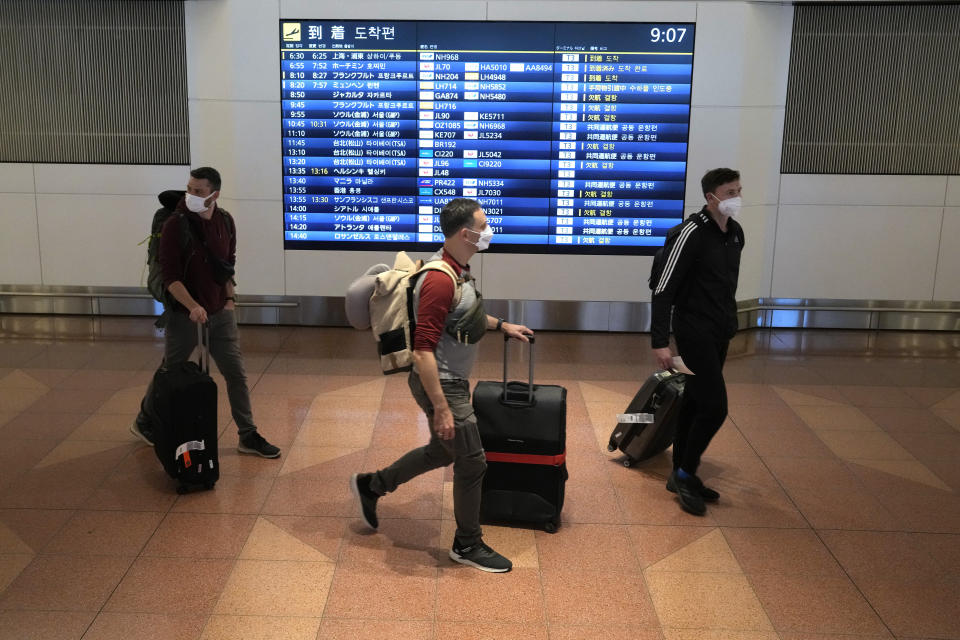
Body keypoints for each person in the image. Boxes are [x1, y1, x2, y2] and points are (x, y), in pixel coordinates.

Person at [350, 198, 533, 573]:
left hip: (452, 380)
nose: (488, 230)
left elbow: (465, 314)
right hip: (442, 383)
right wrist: (443, 408)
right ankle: (467, 544)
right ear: (466, 233)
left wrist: (503, 326)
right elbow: (422, 352)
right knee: (473, 462)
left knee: (444, 451)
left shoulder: (458, 269)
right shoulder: (438, 280)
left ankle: (372, 485)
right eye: (484, 225)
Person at [130, 167, 281, 459]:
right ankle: (144, 419)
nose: (191, 196)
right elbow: (171, 277)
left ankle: (247, 434)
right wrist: (192, 306)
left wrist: (229, 300)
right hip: (184, 315)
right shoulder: (176, 225)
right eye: (189, 189)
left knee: (236, 374)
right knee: (170, 371)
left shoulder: (225, 221)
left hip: (220, 314)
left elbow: (227, 265)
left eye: (198, 191)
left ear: (214, 195)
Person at [650, 168, 745, 515]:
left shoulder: (734, 234)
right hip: (693, 332)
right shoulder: (689, 233)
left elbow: (725, 287)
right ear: (711, 198)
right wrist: (660, 342)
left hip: (720, 331)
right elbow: (663, 290)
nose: (736, 197)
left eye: (738, 190)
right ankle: (687, 474)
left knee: (694, 401)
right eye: (729, 192)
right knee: (716, 407)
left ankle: (679, 471)